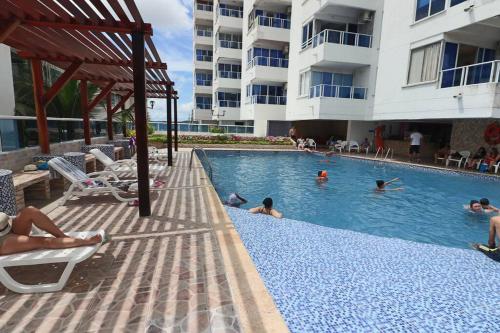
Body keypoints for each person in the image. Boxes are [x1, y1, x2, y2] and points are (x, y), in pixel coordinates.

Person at [0, 207, 105, 256]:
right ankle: (85, 241)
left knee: (29, 211)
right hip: (3, 241)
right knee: (43, 242)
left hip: (7, 229)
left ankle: (63, 237)